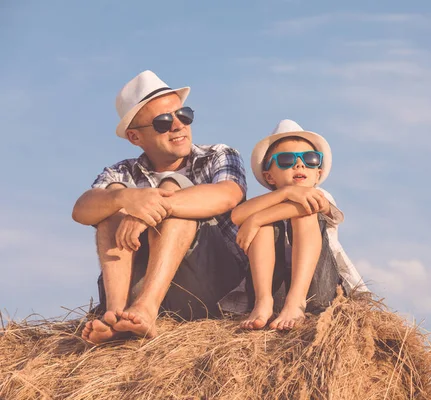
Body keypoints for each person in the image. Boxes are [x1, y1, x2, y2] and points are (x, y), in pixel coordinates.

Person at [72, 70, 247, 344]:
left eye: (184, 115)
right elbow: (81, 210)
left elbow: (228, 195)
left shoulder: (218, 155)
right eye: (163, 122)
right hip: (143, 282)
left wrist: (154, 208)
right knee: (110, 207)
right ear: (135, 137)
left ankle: (147, 308)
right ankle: (115, 315)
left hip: (216, 284)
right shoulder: (121, 172)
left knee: (174, 189)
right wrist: (127, 200)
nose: (178, 125)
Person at [230, 119, 368, 331]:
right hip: (277, 290)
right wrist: (284, 194)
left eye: (310, 159)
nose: (299, 164)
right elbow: (237, 215)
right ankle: (263, 302)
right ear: (269, 176)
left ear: (318, 174)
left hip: (320, 288)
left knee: (301, 214)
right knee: (262, 222)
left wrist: (256, 219)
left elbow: (310, 207)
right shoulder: (264, 202)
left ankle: (296, 302)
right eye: (286, 159)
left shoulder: (320, 195)